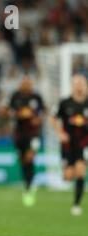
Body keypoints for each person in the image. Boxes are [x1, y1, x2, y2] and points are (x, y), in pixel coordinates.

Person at [51, 74, 88, 216]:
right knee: (67, 177)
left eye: (81, 83)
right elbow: (53, 118)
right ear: (72, 86)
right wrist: (59, 132)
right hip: (68, 144)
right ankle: (68, 171)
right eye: (76, 83)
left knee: (81, 171)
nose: (79, 86)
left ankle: (76, 204)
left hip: (84, 142)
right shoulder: (65, 103)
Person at [6, 75, 45, 206]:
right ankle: (28, 184)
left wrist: (38, 119)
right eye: (24, 83)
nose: (26, 85)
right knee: (23, 160)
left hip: (34, 133)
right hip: (19, 134)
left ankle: (30, 185)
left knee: (30, 157)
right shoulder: (15, 96)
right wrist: (18, 114)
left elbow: (43, 112)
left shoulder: (36, 97)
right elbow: (8, 112)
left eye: (28, 83)